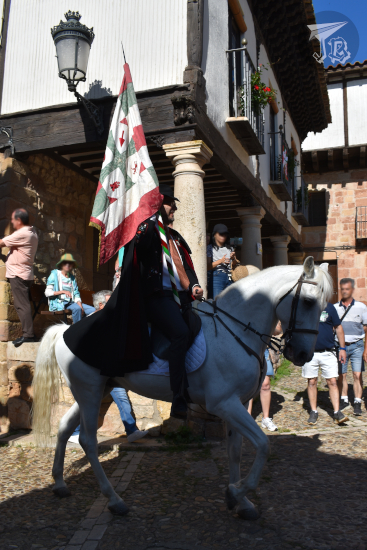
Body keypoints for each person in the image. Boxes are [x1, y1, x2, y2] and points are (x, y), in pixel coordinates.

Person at [136, 184, 203, 418]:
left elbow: (186, 267)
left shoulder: (174, 237)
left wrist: (194, 285)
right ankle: (178, 396)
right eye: (169, 204)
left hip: (180, 297)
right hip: (157, 296)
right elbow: (139, 249)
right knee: (180, 334)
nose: (173, 207)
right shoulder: (147, 230)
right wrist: (150, 223)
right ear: (158, 205)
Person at [69, 290, 149, 445]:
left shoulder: (109, 320)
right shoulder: (92, 321)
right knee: (86, 402)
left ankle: (131, 430)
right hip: (95, 371)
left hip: (109, 370)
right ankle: (76, 432)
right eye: (110, 302)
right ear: (100, 305)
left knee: (120, 396)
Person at [302, 302, 348, 425]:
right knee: (312, 382)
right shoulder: (305, 306)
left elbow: (338, 327)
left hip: (328, 352)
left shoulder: (329, 307)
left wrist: (342, 349)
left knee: (332, 381)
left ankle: (337, 412)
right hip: (310, 353)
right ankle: (313, 411)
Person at [0, 208, 38, 347]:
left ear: (19, 220)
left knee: (22, 305)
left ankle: (28, 335)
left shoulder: (22, 233)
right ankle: (29, 334)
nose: (11, 222)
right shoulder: (32, 232)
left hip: (18, 274)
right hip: (24, 273)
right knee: (21, 305)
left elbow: (1, 243)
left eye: (13, 219)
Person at [334, 278, 367, 416]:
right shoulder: (335, 307)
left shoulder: (361, 307)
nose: (345, 291)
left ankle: (358, 401)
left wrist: (366, 349)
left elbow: (366, 328)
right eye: (342, 289)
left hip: (357, 345)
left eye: (347, 289)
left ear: (352, 290)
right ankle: (344, 399)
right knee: (342, 374)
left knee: (357, 374)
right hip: (340, 346)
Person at [248, 321, 282, 431]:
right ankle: (247, 420)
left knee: (265, 385)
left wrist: (273, 324)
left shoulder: (267, 305)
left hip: (263, 349)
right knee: (249, 385)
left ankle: (266, 418)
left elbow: (278, 330)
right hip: (247, 348)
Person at [45, 253, 95, 324]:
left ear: (72, 265)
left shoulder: (72, 278)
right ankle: (76, 332)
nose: (68, 265)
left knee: (93, 310)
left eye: (70, 263)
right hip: (60, 303)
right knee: (77, 309)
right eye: (65, 262)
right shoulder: (54, 274)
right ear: (61, 264)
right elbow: (47, 293)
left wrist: (80, 305)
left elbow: (76, 293)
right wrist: (62, 291)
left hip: (72, 303)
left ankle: (84, 329)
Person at [207, 224, 239, 298]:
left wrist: (233, 258)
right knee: (217, 300)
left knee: (231, 300)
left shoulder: (230, 248)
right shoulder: (209, 248)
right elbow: (207, 267)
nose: (223, 236)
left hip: (230, 275)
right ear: (214, 235)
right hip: (217, 275)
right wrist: (220, 261)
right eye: (221, 234)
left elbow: (234, 265)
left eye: (225, 234)